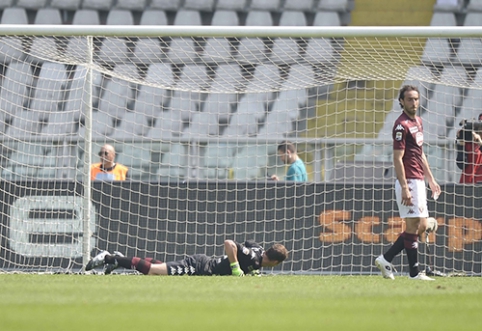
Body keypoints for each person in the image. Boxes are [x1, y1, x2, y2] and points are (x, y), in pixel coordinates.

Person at [375, 85, 441, 281]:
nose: (414, 102)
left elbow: (420, 153)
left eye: (416, 99)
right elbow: (398, 158)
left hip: (419, 179)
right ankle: (413, 273)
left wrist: (431, 179)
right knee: (415, 226)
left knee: (420, 225)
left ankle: (386, 259)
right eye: (410, 99)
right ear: (401, 102)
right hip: (409, 180)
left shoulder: (418, 122)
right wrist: (405, 186)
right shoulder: (400, 125)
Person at [85, 239, 289, 276]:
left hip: (203, 266)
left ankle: (121, 260)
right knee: (155, 271)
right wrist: (236, 267)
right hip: (200, 267)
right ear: (275, 262)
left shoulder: (258, 253)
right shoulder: (253, 258)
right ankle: (109, 258)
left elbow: (249, 243)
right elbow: (230, 243)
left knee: (161, 268)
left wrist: (250, 272)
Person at [456, 117, 482, 184]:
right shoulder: (469, 145)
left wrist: (480, 142)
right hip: (467, 182)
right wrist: (461, 144)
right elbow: (461, 164)